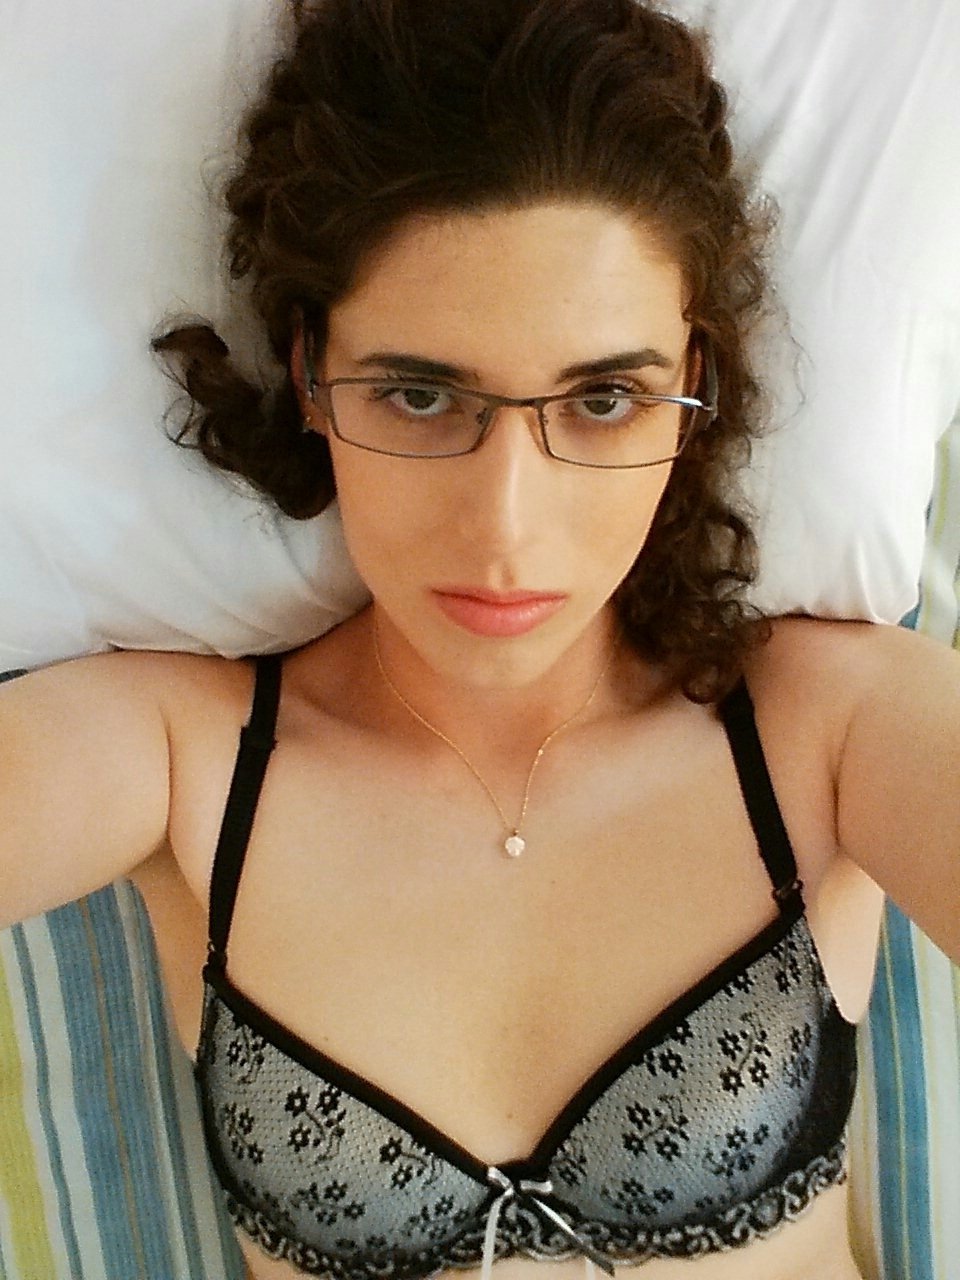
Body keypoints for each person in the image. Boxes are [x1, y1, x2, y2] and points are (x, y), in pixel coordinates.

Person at [2, 1, 958, 1278]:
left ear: (693, 389)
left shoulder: (834, 724)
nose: (505, 526)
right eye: (420, 393)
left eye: (603, 398)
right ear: (309, 374)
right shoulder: (182, 754)